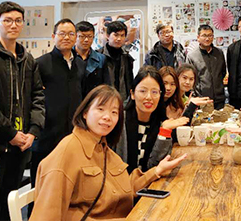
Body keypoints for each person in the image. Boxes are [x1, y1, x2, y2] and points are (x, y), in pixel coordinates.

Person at [29, 85, 188, 221]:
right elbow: (46, 214)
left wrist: (157, 170)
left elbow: (123, 188)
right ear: (85, 112)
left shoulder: (103, 148)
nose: (107, 117)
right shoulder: (67, 152)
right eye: (100, 109)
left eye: (114, 112)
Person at [0, 1, 45, 221]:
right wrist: (10, 134)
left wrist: (33, 131)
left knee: (12, 202)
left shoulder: (28, 60)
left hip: (22, 144)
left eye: (17, 20)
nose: (13, 25)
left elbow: (38, 96)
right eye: (7, 20)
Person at [31, 19, 84, 187]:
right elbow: (33, 97)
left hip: (72, 134)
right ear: (53, 36)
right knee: (42, 185)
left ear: (75, 37)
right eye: (62, 34)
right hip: (47, 134)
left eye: (71, 34)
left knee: (69, 183)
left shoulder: (80, 64)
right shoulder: (41, 63)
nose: (66, 37)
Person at [116, 66, 189, 172]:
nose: (149, 97)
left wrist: (165, 132)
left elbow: (154, 166)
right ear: (132, 94)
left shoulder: (160, 123)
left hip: (147, 181)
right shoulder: (119, 121)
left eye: (154, 92)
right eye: (143, 91)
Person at [185, 24, 227, 109]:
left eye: (210, 35)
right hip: (201, 99)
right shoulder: (192, 56)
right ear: (198, 37)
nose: (207, 39)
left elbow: (223, 72)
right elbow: (190, 77)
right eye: (204, 35)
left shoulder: (219, 53)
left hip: (219, 99)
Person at [100, 20, 135, 102]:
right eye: (116, 35)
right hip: (104, 100)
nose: (119, 39)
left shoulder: (127, 57)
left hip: (123, 101)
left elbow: (129, 81)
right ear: (108, 36)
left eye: (122, 35)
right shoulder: (99, 56)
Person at [73, 20, 111, 95]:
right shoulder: (68, 57)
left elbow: (106, 85)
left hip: (94, 99)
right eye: (82, 36)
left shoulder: (101, 59)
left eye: (89, 36)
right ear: (75, 37)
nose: (86, 40)